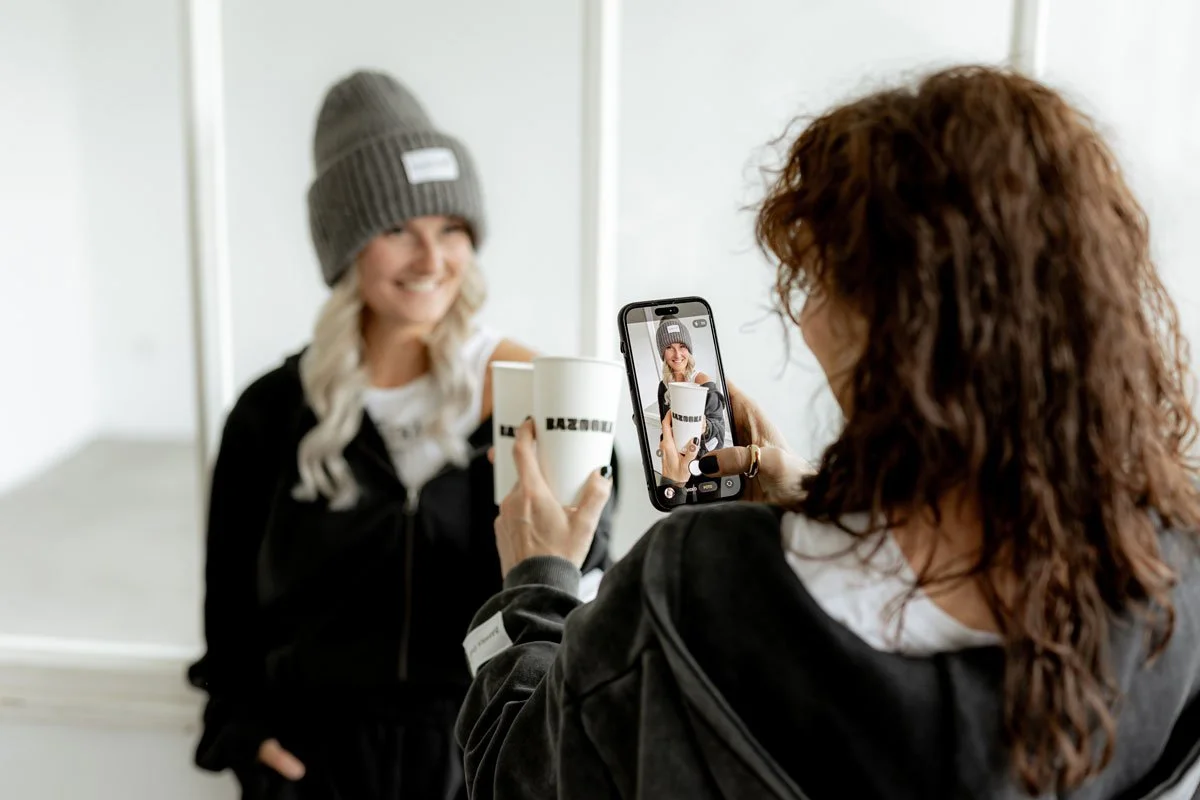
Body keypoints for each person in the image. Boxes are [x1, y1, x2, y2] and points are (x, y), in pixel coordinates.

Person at [454, 66, 1200, 799]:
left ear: (894, 328)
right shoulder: (1174, 574)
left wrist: (536, 582)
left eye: (817, 280)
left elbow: (513, 776)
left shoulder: (695, 590)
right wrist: (815, 505)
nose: (805, 319)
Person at [186, 70, 614, 800]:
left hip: (479, 763)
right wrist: (245, 734)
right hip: (312, 774)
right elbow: (229, 613)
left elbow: (581, 593)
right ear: (346, 247)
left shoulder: (541, 400)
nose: (432, 259)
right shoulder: (271, 412)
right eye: (397, 230)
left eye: (450, 229)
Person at [653, 316, 727, 487]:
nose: (677, 354)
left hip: (704, 468)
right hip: (676, 466)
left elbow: (720, 431)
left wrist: (706, 427)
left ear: (689, 349)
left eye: (682, 346)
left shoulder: (703, 382)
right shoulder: (663, 387)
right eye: (669, 347)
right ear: (662, 353)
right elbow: (665, 426)